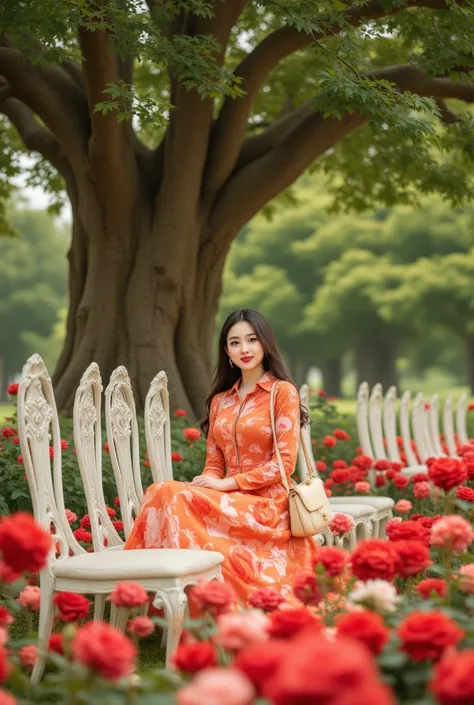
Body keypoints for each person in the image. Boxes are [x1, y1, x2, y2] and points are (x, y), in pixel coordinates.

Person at [124, 309, 319, 605]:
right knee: (162, 491)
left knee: (172, 494)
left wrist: (227, 485)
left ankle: (170, 599)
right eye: (235, 342)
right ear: (226, 351)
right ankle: (148, 592)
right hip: (230, 497)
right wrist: (210, 481)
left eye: (251, 340)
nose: (244, 349)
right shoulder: (220, 401)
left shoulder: (282, 393)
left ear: (264, 344)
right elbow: (214, 461)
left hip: (269, 503)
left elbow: (284, 465)